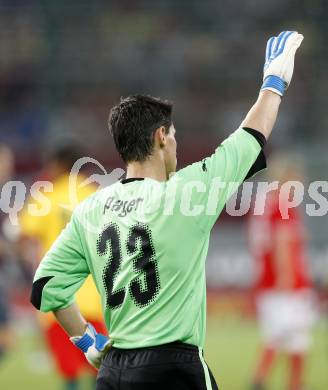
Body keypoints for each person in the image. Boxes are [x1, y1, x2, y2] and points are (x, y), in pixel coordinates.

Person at [30, 31, 303, 390]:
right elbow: (251, 137)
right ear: (160, 136)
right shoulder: (188, 193)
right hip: (175, 368)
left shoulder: (90, 210)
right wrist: (274, 82)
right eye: (173, 134)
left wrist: (86, 341)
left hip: (114, 372)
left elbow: (45, 287)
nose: (176, 143)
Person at [20, 145, 107, 390]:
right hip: (94, 298)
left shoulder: (47, 197)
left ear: (58, 165)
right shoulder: (97, 195)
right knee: (99, 368)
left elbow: (23, 236)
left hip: (58, 301)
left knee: (69, 374)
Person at [248, 154, 315, 390]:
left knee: (278, 334)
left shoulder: (265, 205)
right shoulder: (283, 206)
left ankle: (262, 379)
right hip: (286, 284)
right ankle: (289, 383)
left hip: (266, 282)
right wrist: (286, 277)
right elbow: (281, 242)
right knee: (296, 337)